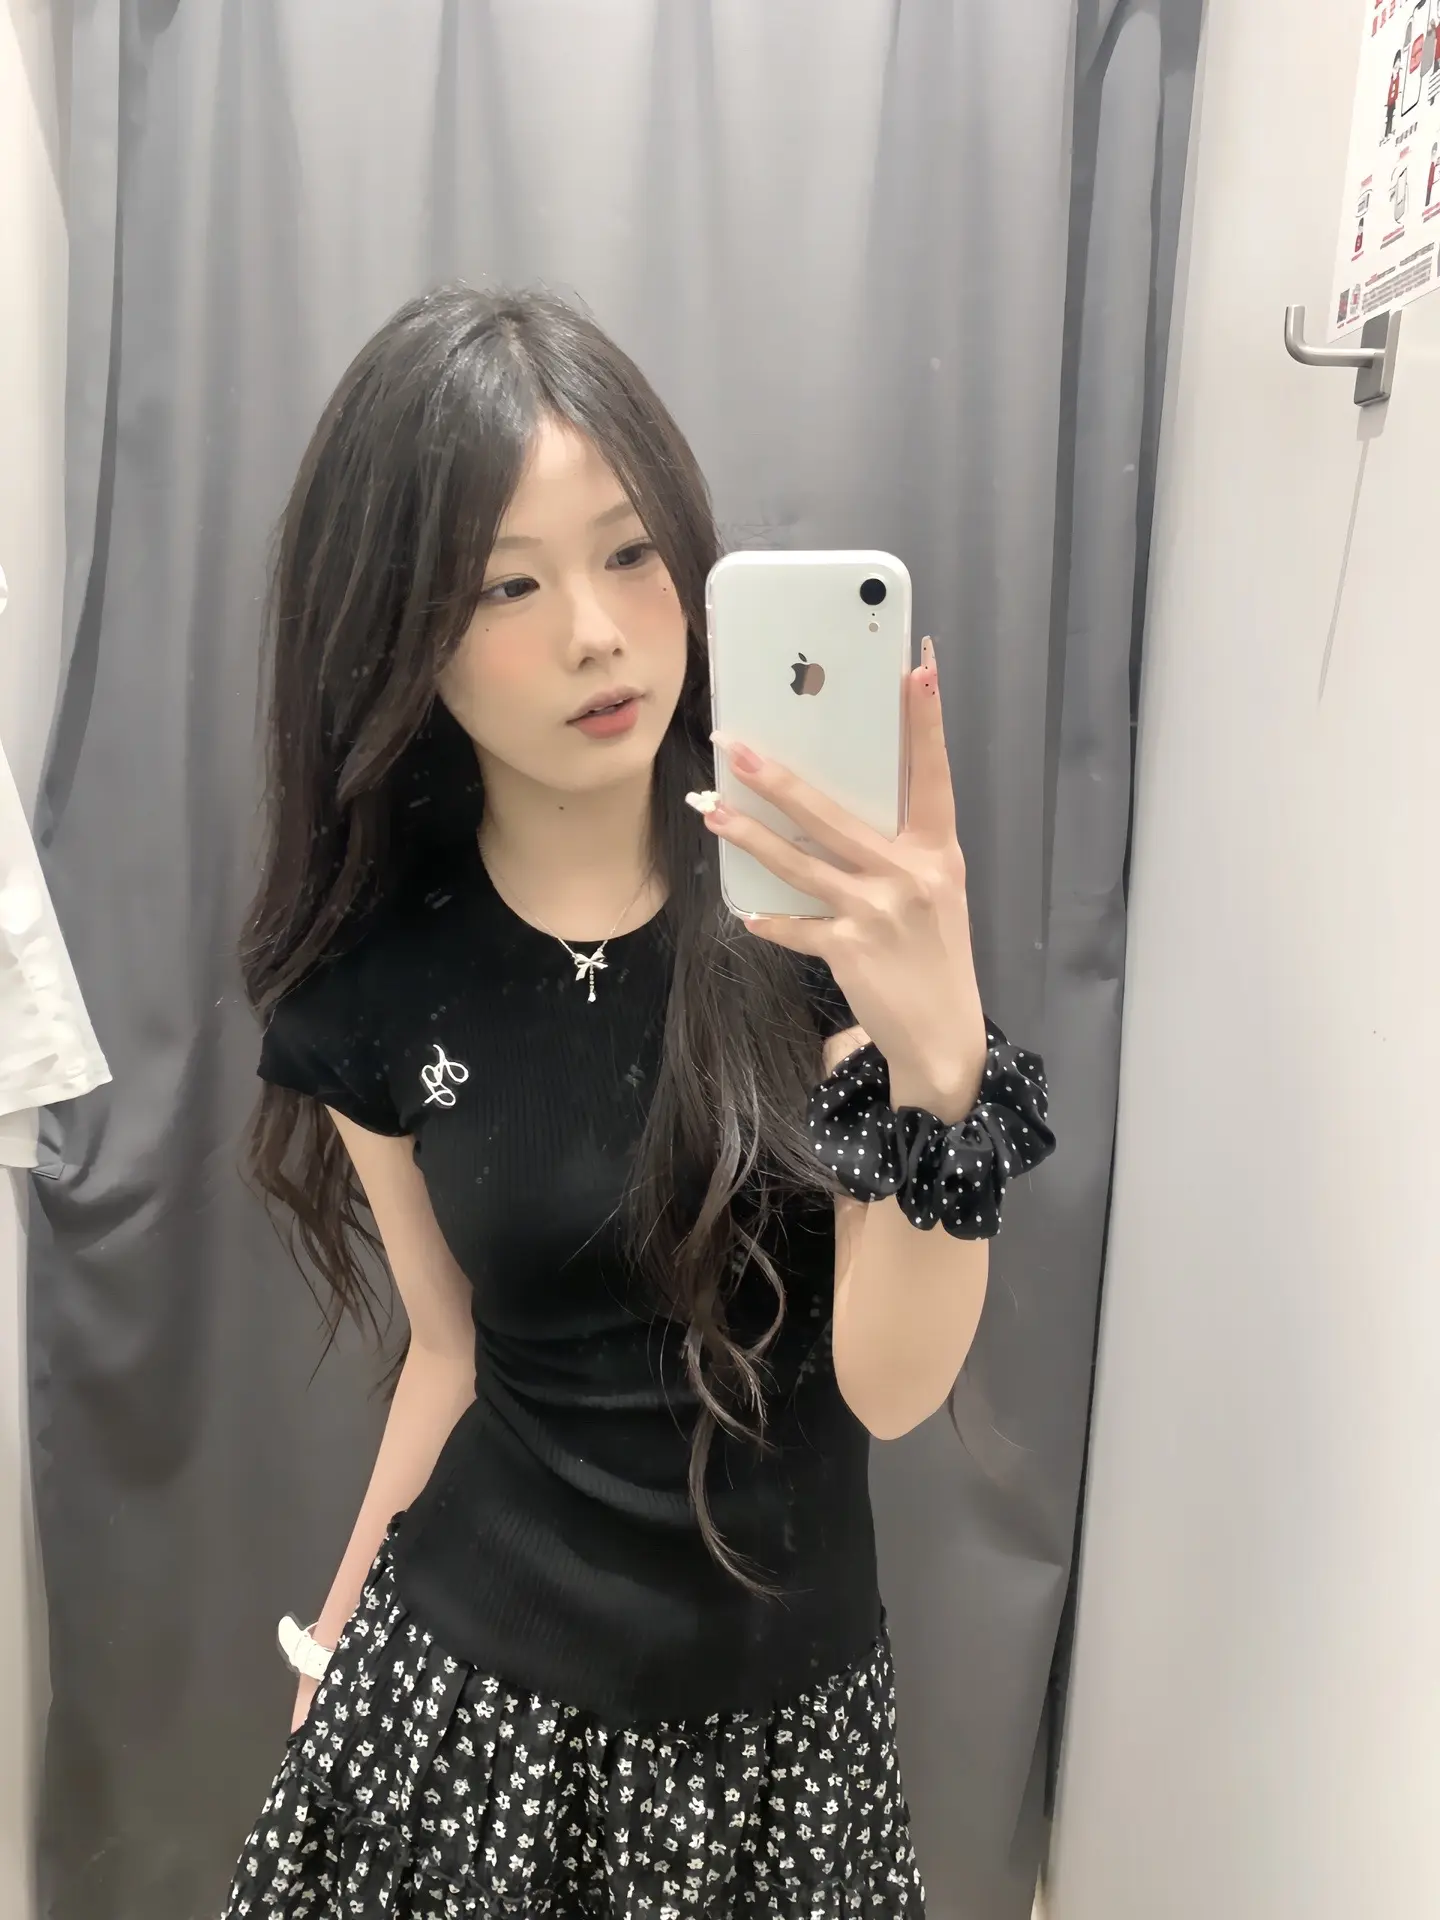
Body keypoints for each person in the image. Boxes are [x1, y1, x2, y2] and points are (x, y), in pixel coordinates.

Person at [224, 285, 1055, 1918]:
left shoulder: (822, 932)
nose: (598, 632)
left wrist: (939, 1057)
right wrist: (336, 1635)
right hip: (469, 1715)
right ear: (399, 633)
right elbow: (449, 1354)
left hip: (784, 1747)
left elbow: (891, 1392)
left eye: (627, 553)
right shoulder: (374, 984)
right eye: (507, 585)